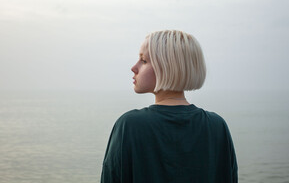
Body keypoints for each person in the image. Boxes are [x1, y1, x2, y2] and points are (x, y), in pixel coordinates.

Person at [100, 30, 238, 183]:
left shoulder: (129, 126)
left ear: (166, 67)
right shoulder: (217, 126)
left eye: (144, 61)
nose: (134, 67)